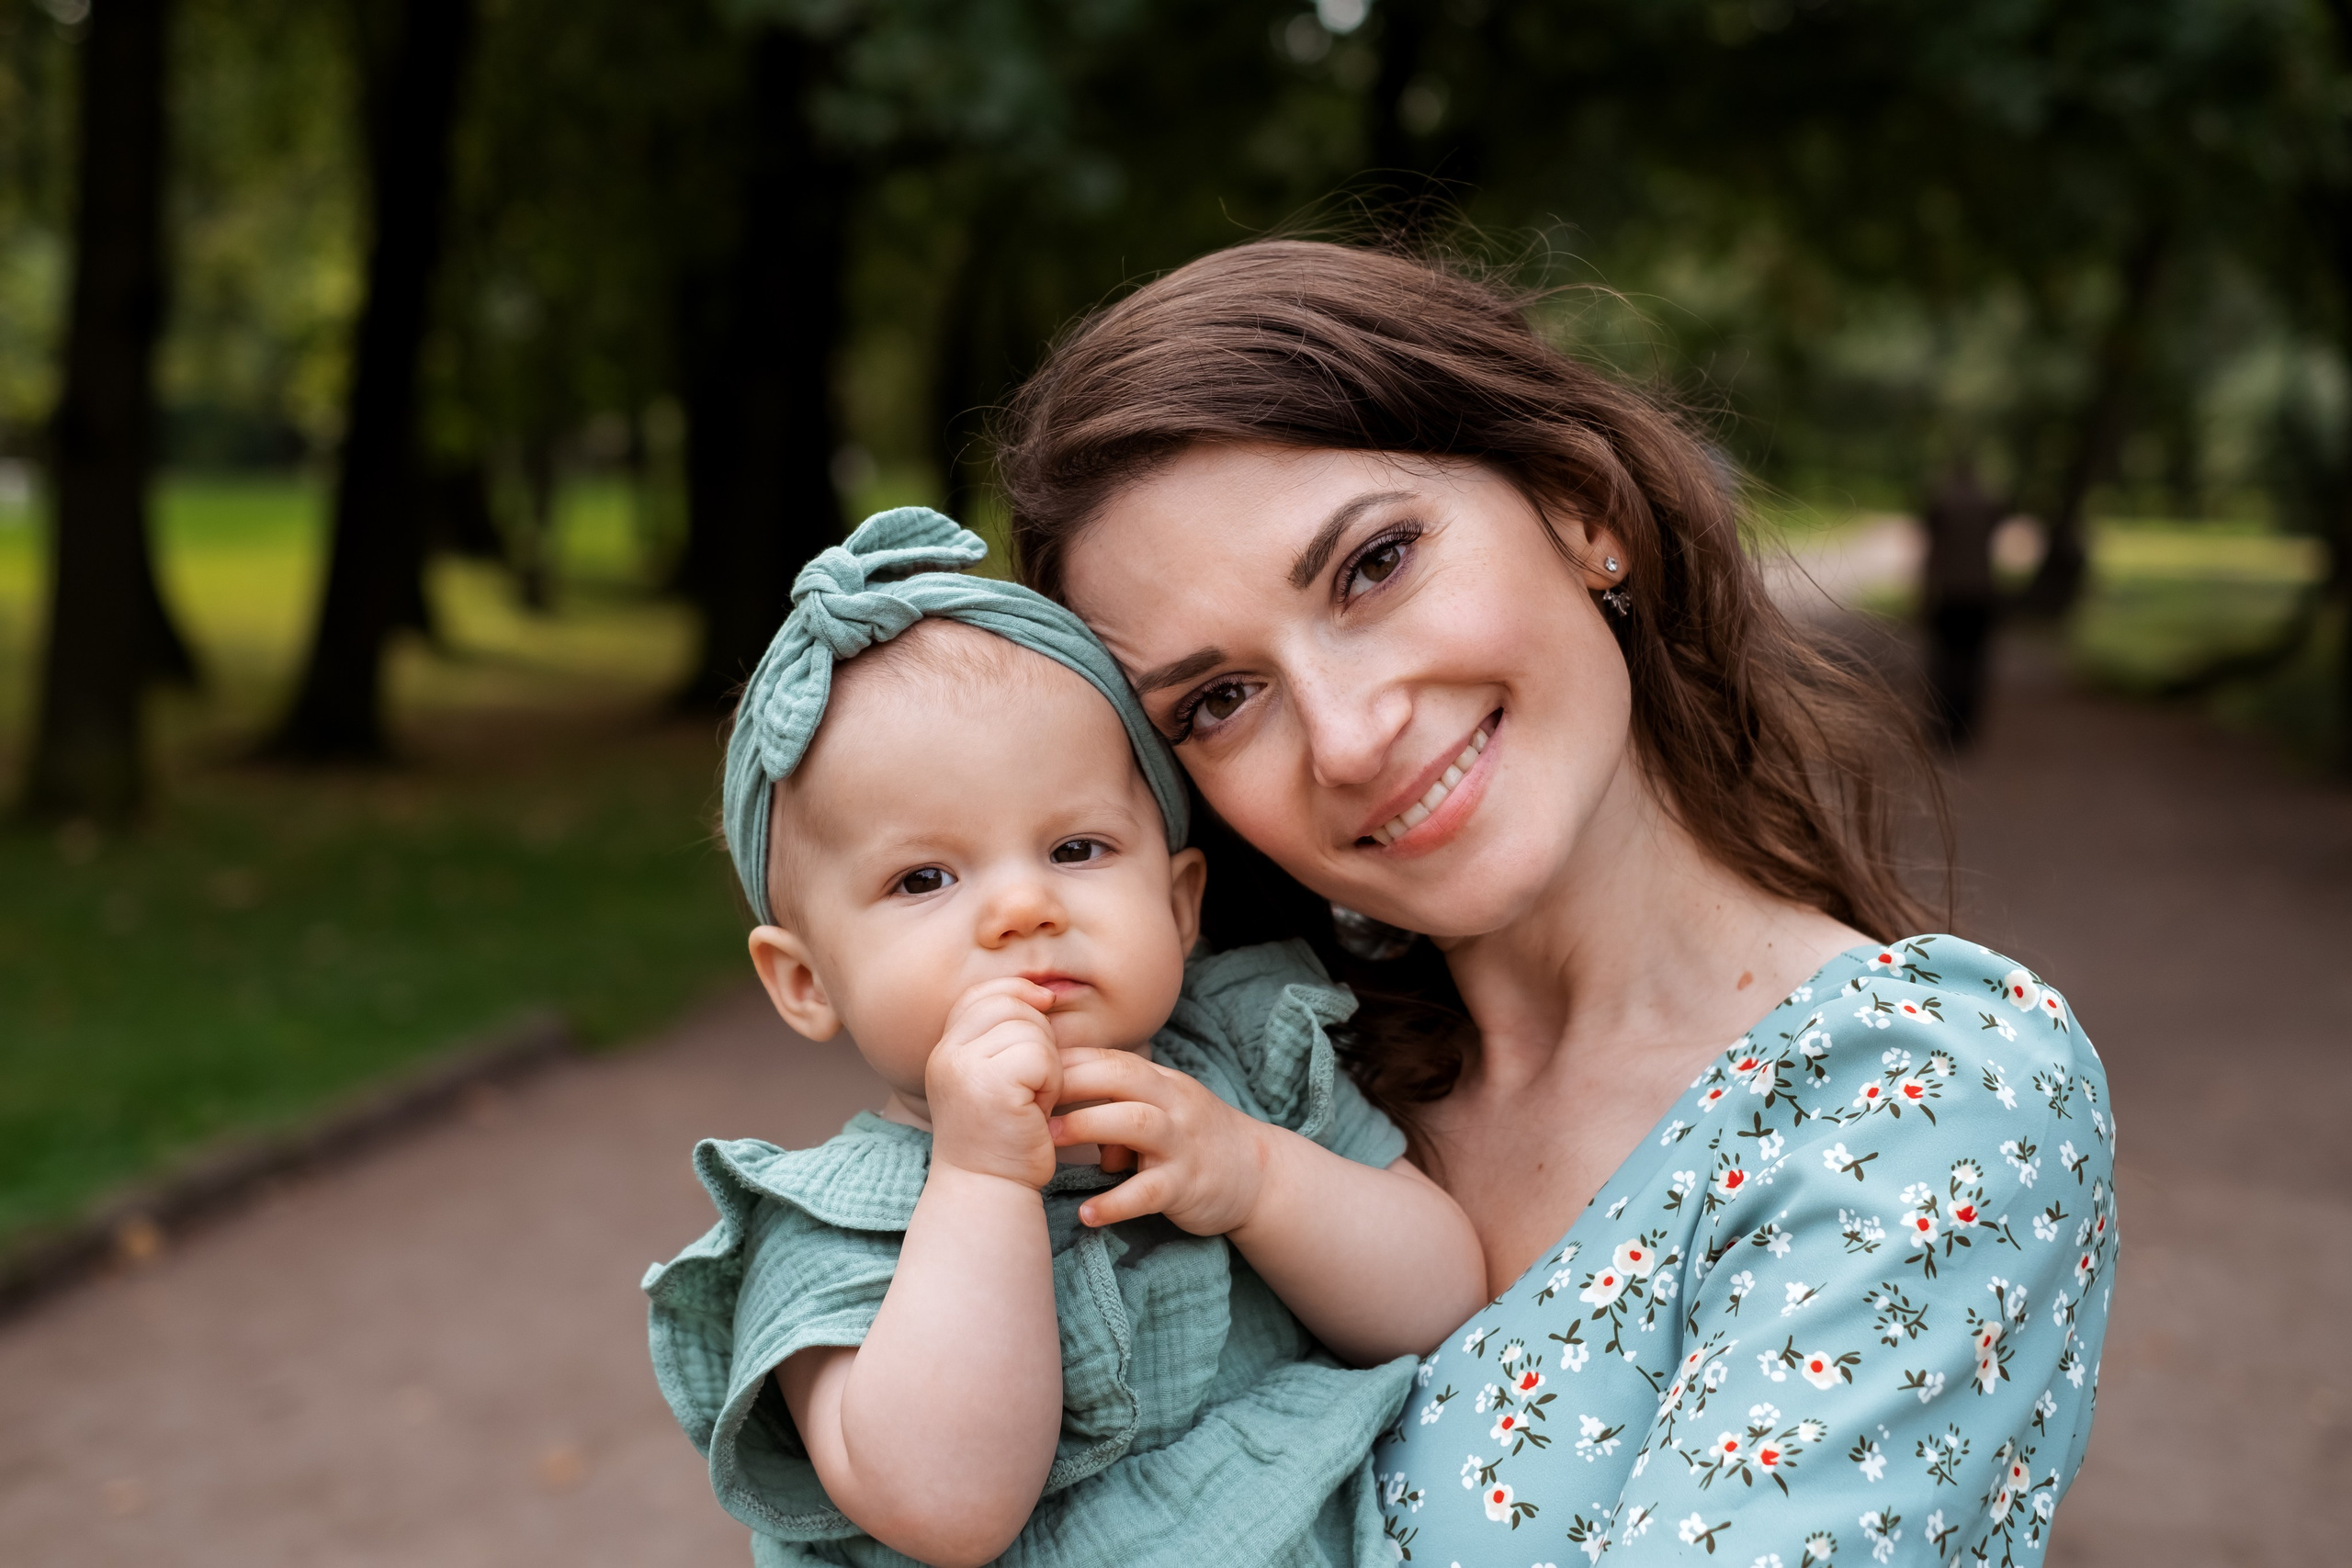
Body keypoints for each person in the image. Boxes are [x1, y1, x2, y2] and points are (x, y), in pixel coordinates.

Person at [998, 241, 2116, 1567]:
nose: (1349, 739)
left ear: (1586, 510)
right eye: (1220, 700)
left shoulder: (1925, 1097)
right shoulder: (1246, 1091)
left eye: (1373, 564)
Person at [642, 507, 1486, 1568]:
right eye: (924, 879)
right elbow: (949, 1508)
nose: (1021, 910)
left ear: (1180, 905)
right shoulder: (835, 1230)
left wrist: (1256, 1178)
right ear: (806, 982)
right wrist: (981, 1181)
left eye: (1076, 847)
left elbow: (1444, 1298)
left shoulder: (1242, 1066)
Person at [1920, 460, 2007, 748]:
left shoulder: (1941, 504)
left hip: (1948, 591)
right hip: (1979, 591)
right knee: (1972, 664)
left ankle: (1942, 723)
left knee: (1944, 662)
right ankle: (1965, 725)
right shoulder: (1989, 505)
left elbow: (1933, 548)